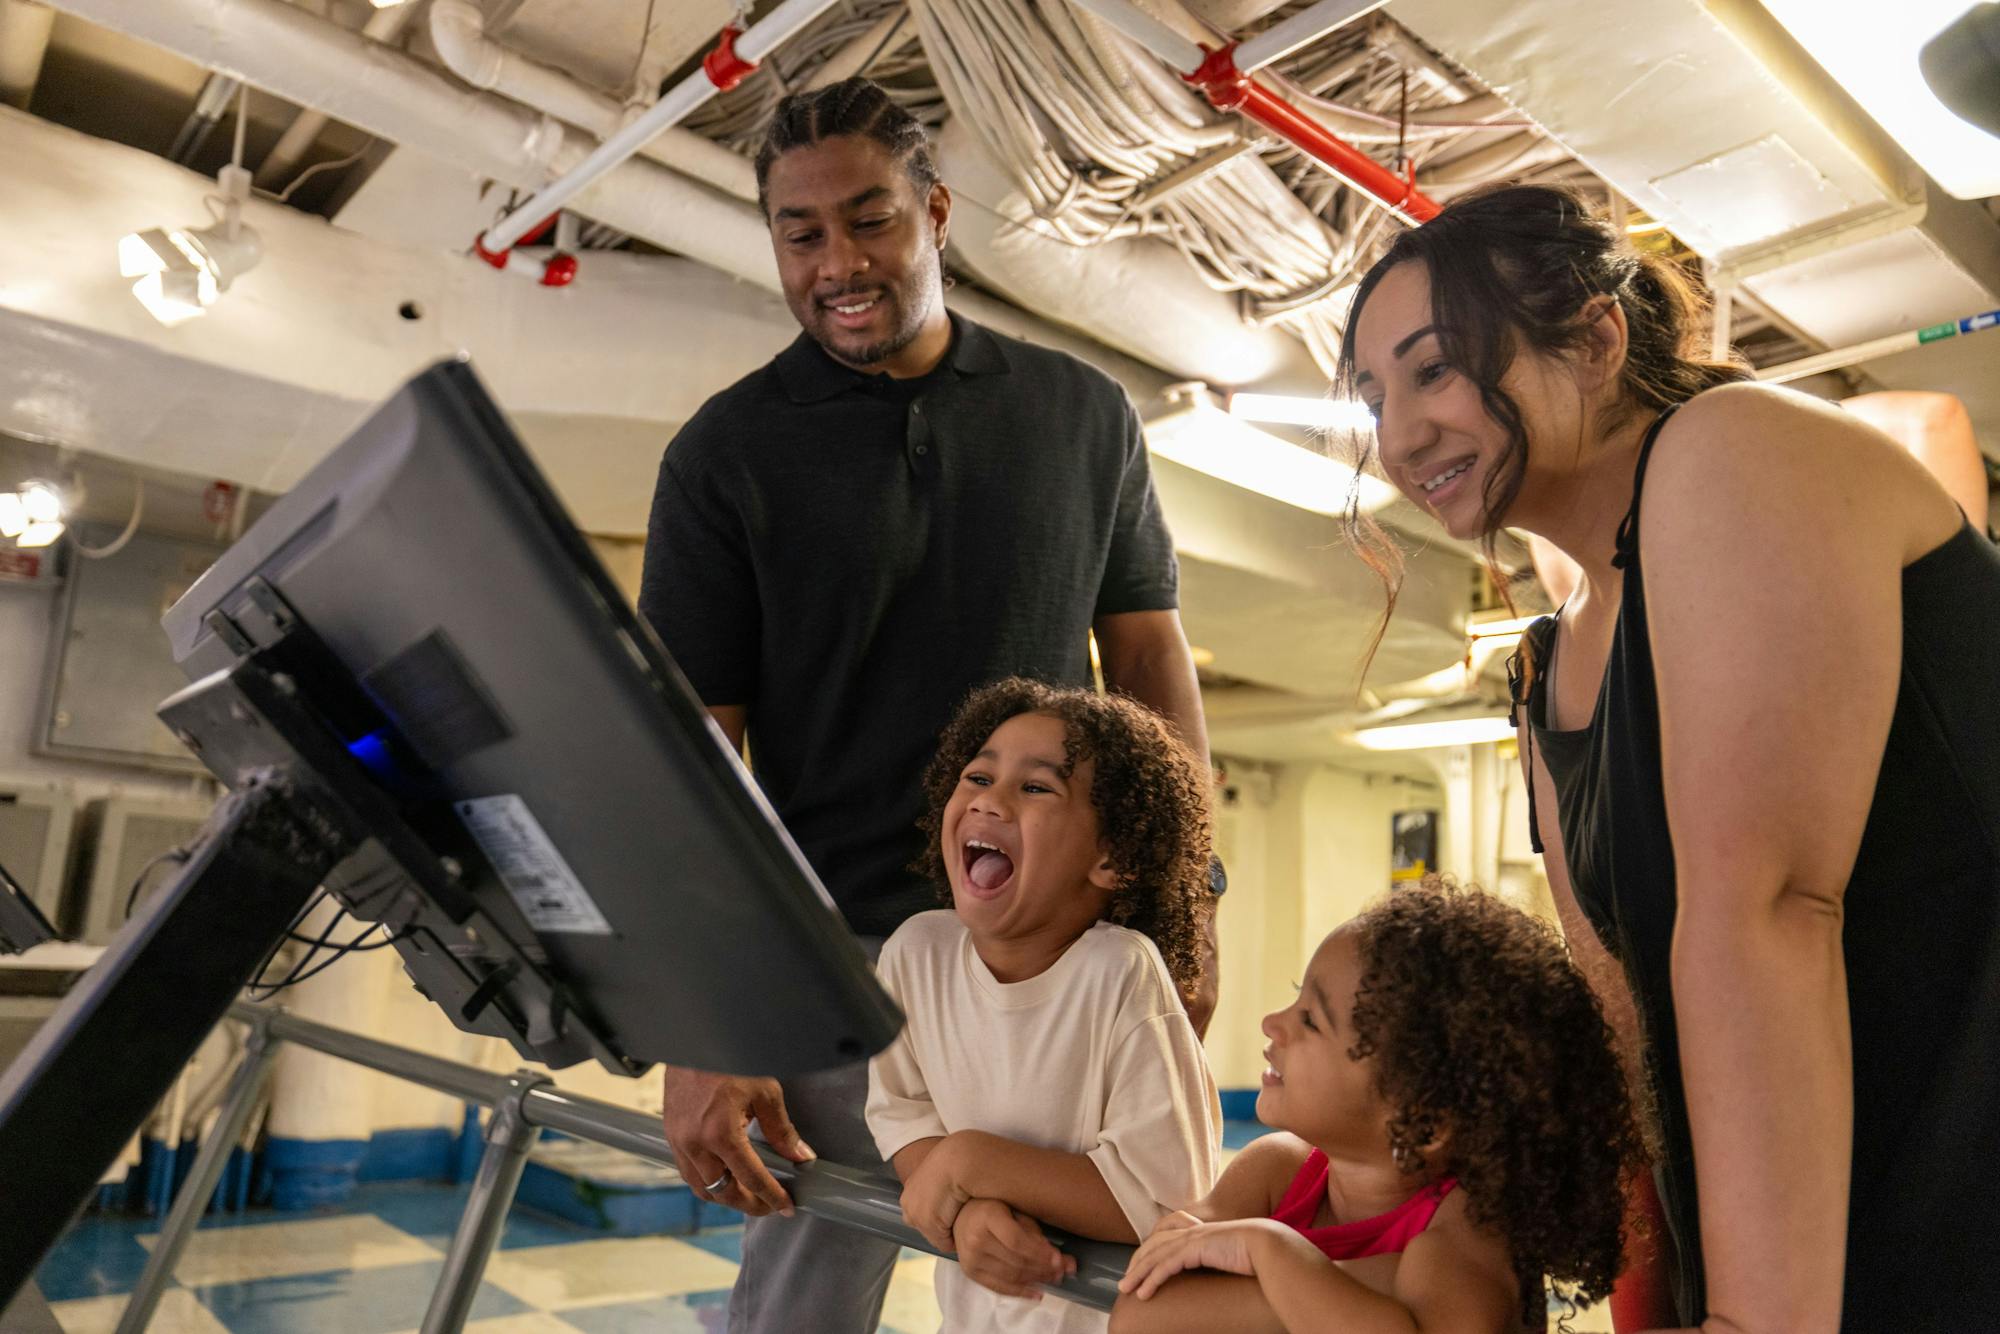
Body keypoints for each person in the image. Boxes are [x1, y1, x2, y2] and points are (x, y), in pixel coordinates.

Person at [1340, 182, 2000, 1331]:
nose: (1396, 436)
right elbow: (1629, 1037)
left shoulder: (1734, 450)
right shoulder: (1553, 663)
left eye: (1434, 367)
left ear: (1594, 342)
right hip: (1836, 1249)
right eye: (1371, 395)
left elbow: (1770, 910)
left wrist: (1754, 1321)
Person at [637, 78, 1212, 1334]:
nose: (837, 262)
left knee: (1078, 1299)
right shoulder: (723, 455)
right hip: (831, 972)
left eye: (870, 220)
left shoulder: (1082, 414)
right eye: (801, 234)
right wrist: (708, 1012)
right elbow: (692, 757)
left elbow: (1152, 670)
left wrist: (1190, 905)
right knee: (799, 1306)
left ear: (936, 212)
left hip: (1057, 960)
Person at [1109, 883, 1640, 1333]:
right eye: (1297, 997)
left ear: (1425, 1120)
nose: (1275, 1022)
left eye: (1313, 1020)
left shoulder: (1470, 1229)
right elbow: (1141, 1310)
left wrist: (1267, 1251)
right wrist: (1379, 1294)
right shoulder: (1273, 1171)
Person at [868, 679, 1220, 1332]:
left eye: (1036, 788)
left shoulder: (1120, 973)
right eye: (977, 776)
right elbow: (903, 1113)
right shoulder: (916, 955)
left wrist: (972, 1163)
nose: (989, 800)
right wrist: (965, 1207)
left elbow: (1167, 1197)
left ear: (1112, 857)